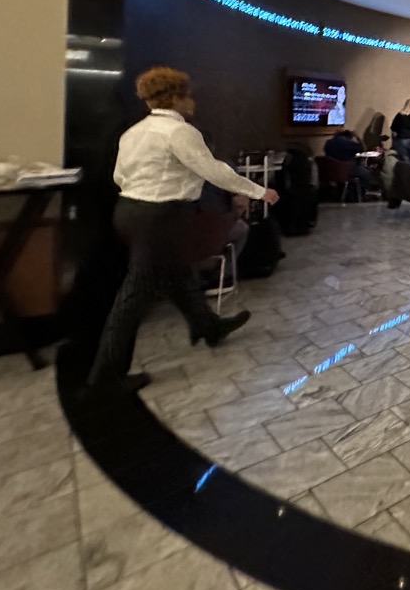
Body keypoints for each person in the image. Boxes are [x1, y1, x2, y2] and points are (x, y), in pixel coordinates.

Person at [90, 67, 277, 390]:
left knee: (177, 275)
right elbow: (213, 171)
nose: (193, 102)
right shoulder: (180, 132)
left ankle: (208, 326)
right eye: (189, 95)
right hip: (159, 218)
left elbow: (119, 176)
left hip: (130, 211)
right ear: (176, 98)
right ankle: (106, 376)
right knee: (133, 295)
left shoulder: (134, 132)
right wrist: (259, 191)